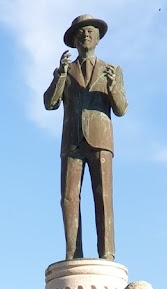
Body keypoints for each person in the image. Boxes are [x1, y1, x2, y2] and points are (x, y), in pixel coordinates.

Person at [44, 14, 128, 261]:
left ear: (98, 37)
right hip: (72, 141)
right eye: (81, 32)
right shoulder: (65, 71)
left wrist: (113, 86)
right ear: (74, 40)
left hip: (101, 140)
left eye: (90, 31)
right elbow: (50, 103)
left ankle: (107, 253)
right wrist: (59, 75)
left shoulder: (111, 70)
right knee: (69, 198)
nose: (86, 35)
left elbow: (122, 109)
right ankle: (73, 253)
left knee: (103, 196)